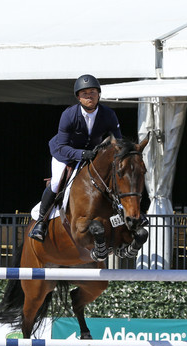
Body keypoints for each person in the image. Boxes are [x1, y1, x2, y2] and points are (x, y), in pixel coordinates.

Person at [29, 74, 123, 241]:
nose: (89, 96)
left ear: (99, 94)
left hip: (91, 154)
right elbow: (62, 146)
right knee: (57, 181)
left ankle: (124, 212)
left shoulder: (108, 114)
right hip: (64, 154)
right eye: (85, 93)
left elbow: (118, 141)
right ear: (78, 97)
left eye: (93, 92)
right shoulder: (69, 115)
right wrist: (81, 154)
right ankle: (41, 222)